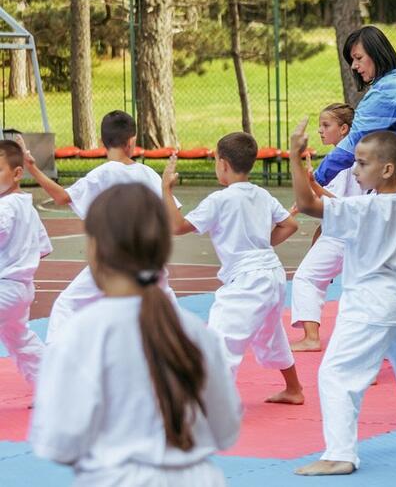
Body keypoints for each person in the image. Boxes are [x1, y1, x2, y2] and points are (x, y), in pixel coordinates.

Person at [30, 184, 242, 486]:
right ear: (163, 249)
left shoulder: (81, 335)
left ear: (95, 248)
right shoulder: (195, 332)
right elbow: (226, 429)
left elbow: (58, 441)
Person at [289, 124, 396, 476]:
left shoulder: (363, 210)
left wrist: (293, 155)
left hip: (367, 307)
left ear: (387, 169)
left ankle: (340, 454)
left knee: (336, 375)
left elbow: (306, 204)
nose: (355, 169)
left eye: (362, 163)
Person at [161, 133, 304, 404]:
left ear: (223, 164)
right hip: (273, 275)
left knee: (220, 337)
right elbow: (290, 225)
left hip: (248, 281)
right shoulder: (262, 194)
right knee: (271, 334)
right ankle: (294, 389)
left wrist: (166, 189)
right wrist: (264, 243)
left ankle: (214, 404)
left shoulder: (220, 200)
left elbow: (177, 227)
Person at [17, 111, 180, 344]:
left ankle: (57, 358)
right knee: (166, 306)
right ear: (132, 141)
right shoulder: (148, 174)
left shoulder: (102, 174)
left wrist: (32, 168)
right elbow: (172, 216)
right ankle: (184, 351)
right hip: (149, 259)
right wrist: (167, 188)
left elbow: (62, 197)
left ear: (102, 143)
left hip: (114, 261)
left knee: (66, 306)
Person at [313, 26, 396, 186]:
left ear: (377, 55)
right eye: (352, 60)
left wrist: (316, 179)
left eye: (358, 58)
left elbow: (353, 142)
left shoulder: (384, 93)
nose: (353, 66)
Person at [290, 103, 364, 352]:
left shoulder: (345, 163)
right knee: (360, 289)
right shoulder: (352, 160)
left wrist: (312, 185)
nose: (321, 131)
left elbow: (336, 204)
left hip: (344, 234)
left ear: (344, 129)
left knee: (306, 278)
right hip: (354, 234)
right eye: (320, 126)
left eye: (326, 125)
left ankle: (312, 338)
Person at [0, 140, 50, 387]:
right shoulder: (27, 207)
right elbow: (43, 249)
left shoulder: (5, 206)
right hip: (21, 289)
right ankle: (51, 388)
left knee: (18, 338)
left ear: (17, 174)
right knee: (19, 338)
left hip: (5, 287)